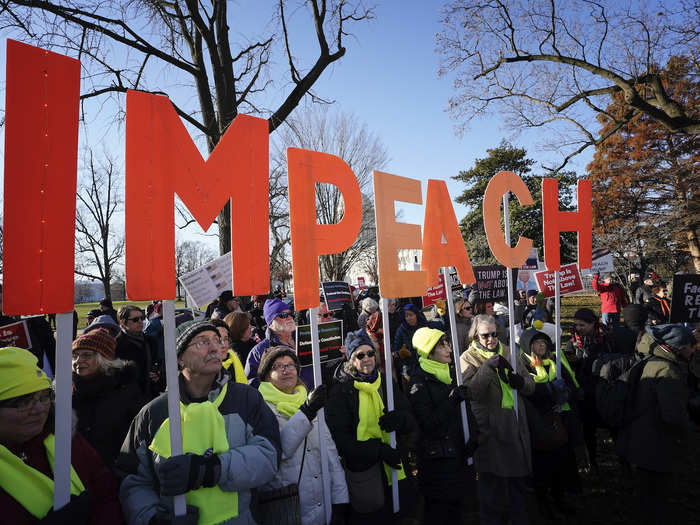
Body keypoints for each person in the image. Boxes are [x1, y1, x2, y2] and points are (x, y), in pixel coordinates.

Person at [118, 320, 282, 525]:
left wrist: (213, 469)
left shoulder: (246, 399)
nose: (215, 347)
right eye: (202, 342)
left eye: (218, 340)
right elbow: (133, 481)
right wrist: (153, 519)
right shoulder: (154, 413)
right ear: (179, 359)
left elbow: (269, 456)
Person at [0, 347, 121, 524]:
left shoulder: (64, 436)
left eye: (44, 397)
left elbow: (106, 492)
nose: (40, 409)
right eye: (23, 402)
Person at [325, 329, 417, 524]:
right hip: (365, 471)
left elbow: (410, 418)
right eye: (360, 355)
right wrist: (378, 450)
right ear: (351, 359)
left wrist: (399, 420)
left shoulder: (386, 382)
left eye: (370, 353)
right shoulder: (341, 391)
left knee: (400, 514)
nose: (366, 358)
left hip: (395, 466)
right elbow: (341, 441)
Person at [257, 347, 349, 524]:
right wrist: (306, 412)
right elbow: (278, 451)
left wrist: (340, 500)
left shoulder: (310, 400)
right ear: (267, 375)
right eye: (278, 366)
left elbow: (329, 453)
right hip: (288, 505)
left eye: (291, 365)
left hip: (324, 504)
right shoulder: (261, 407)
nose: (286, 370)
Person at [617, 324, 696, 525]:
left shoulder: (652, 359)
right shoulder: (667, 370)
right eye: (690, 345)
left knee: (646, 495)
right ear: (676, 346)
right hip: (656, 445)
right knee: (655, 499)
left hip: (640, 440)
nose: (694, 349)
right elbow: (673, 415)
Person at [460, 314, 534, 525]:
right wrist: (488, 368)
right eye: (485, 336)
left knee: (517, 487)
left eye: (494, 334)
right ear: (476, 335)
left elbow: (530, 386)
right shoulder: (467, 358)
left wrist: (520, 381)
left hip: (516, 427)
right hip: (491, 431)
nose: (491, 339)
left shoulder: (510, 352)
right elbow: (471, 392)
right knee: (491, 488)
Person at [408, 327, 476, 521]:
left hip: (457, 456)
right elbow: (428, 424)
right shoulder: (418, 383)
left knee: (457, 511)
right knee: (439, 514)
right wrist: (451, 401)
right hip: (437, 464)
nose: (448, 349)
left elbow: (464, 413)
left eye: (447, 343)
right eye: (442, 346)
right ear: (429, 351)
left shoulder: (450, 375)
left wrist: (473, 436)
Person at [520, 328, 581, 518]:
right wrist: (548, 392)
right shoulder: (523, 366)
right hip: (538, 424)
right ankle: (542, 502)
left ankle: (559, 497)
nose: (542, 345)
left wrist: (563, 394)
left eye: (544, 342)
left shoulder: (555, 361)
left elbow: (570, 384)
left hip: (560, 421)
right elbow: (528, 392)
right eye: (537, 342)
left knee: (561, 464)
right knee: (542, 467)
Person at [72, 329, 146, 469]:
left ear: (103, 359)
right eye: (75, 355)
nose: (78, 361)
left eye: (86, 355)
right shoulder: (64, 390)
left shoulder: (125, 391)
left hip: (114, 471)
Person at [563, 308, 613, 472]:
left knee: (611, 424)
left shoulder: (605, 339)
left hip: (603, 388)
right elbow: (568, 365)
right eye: (576, 324)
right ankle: (592, 460)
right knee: (587, 428)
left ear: (593, 323)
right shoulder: (573, 341)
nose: (578, 328)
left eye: (582, 325)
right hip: (583, 392)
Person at [245, 298, 314, 389]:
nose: (289, 318)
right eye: (283, 315)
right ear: (271, 323)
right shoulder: (260, 351)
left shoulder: (307, 337)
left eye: (290, 314)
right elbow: (252, 384)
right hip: (286, 401)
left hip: (316, 396)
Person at [392, 304, 440, 384]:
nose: (408, 318)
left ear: (416, 315)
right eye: (406, 316)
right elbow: (395, 350)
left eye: (411, 315)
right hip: (409, 368)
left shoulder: (425, 326)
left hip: (427, 364)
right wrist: (400, 353)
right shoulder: (401, 330)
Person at [115, 305, 153, 397]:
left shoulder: (150, 340)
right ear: (123, 323)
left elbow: (160, 364)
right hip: (128, 398)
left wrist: (158, 375)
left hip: (150, 394)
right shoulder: (116, 345)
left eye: (142, 318)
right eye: (135, 319)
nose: (140, 322)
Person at [210, 318, 248, 384]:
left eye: (226, 339)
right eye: (218, 340)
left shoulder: (234, 361)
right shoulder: (202, 372)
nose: (223, 345)